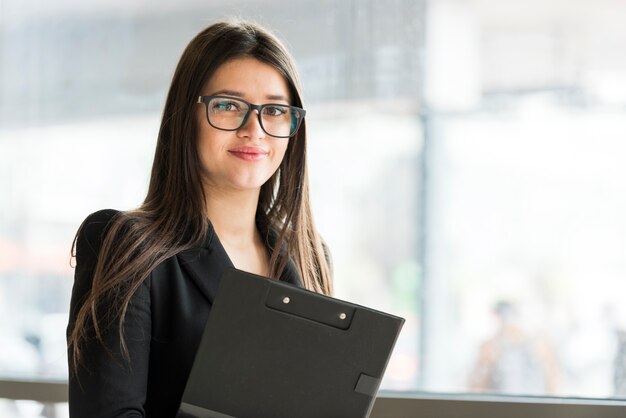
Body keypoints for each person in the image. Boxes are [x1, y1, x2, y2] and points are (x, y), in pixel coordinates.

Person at [66, 20, 333, 417]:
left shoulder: (309, 257)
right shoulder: (125, 245)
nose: (253, 130)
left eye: (275, 111)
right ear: (186, 115)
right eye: (228, 105)